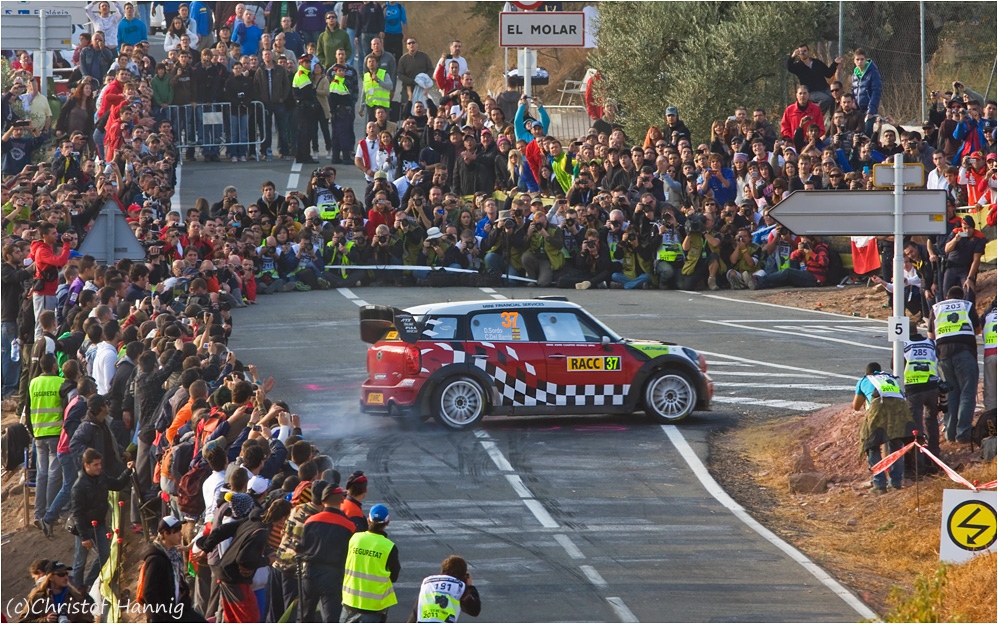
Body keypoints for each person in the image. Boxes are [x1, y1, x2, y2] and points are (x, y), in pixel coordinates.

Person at [70, 448, 133, 591]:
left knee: (104, 555)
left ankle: (88, 585)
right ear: (86, 465)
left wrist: (127, 471)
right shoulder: (78, 487)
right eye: (96, 465)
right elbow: (77, 514)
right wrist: (84, 537)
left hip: (99, 525)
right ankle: (75, 589)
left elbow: (117, 485)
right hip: (85, 528)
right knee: (80, 561)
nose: (99, 467)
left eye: (100, 464)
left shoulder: (102, 477)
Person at [928, 285, 982, 444]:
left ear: (947, 297)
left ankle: (950, 433)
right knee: (967, 392)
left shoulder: (936, 308)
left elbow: (930, 335)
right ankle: (963, 433)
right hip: (964, 352)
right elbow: (977, 330)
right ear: (961, 296)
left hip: (943, 354)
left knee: (950, 394)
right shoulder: (967, 305)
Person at [853, 363, 915, 493]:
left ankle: (879, 484)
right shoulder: (890, 378)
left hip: (878, 409)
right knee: (896, 446)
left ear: (867, 372)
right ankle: (896, 483)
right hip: (900, 409)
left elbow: (856, 406)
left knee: (872, 445)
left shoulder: (865, 380)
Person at [300, 482, 356, 622]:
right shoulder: (349, 526)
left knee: (305, 615)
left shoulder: (310, 521)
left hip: (310, 572)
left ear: (323, 501)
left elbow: (301, 547)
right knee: (332, 617)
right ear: (342, 500)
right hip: (333, 575)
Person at [341, 504, 400, 623]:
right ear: (387, 522)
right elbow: (394, 576)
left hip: (350, 601)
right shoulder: (389, 547)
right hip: (374, 607)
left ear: (368, 520)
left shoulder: (354, 539)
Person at [28, 353, 65, 531]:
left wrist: (33, 430)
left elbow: (28, 408)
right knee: (53, 475)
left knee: (42, 475)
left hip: (38, 434)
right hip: (56, 434)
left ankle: (38, 514)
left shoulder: (33, 383)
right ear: (53, 366)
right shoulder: (59, 382)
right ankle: (51, 514)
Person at [136, 516, 196, 621]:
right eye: (176, 532)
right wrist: (167, 615)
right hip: (163, 617)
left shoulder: (174, 554)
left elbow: (179, 582)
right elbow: (149, 593)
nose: (180, 535)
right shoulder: (155, 559)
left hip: (179, 611)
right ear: (166, 533)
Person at [409, 555, 481, 623]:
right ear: (463, 575)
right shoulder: (459, 586)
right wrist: (470, 586)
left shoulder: (427, 582)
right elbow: (474, 610)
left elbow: (416, 613)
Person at [18, 560, 92, 623]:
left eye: (66, 574)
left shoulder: (76, 597)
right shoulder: (38, 597)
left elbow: (88, 620)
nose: (66, 578)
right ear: (50, 577)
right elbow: (23, 621)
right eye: (61, 574)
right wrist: (45, 621)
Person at [786, 45, 842, 115]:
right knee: (827, 99)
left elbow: (828, 73)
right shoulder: (798, 67)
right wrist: (792, 56)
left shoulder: (816, 63)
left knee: (835, 96)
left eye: (805, 51)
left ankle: (833, 117)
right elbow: (789, 67)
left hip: (824, 88)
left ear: (808, 52)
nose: (803, 53)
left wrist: (835, 63)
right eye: (800, 52)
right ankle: (815, 116)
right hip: (811, 92)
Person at [293, 54, 322, 165]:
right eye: (306, 63)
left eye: (309, 62)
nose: (309, 64)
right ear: (301, 63)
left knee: (304, 133)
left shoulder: (305, 74)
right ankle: (304, 156)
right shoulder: (302, 75)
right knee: (305, 133)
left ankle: (301, 155)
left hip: (305, 108)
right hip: (304, 108)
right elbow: (309, 93)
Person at [851, 48, 883, 137]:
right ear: (854, 61)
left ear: (866, 60)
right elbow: (853, 90)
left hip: (868, 108)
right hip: (857, 108)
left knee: (868, 130)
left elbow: (876, 92)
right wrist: (852, 101)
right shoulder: (854, 74)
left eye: (862, 59)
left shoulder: (873, 73)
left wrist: (871, 110)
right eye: (857, 59)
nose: (860, 62)